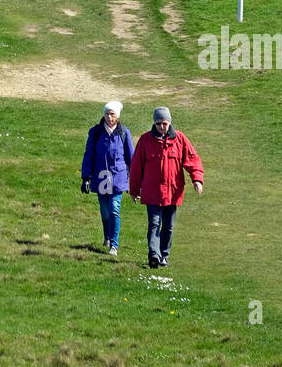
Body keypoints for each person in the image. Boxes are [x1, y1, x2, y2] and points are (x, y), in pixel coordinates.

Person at [129, 106, 204, 269]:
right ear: (154, 123)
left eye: (164, 123)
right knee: (154, 223)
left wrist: (197, 179)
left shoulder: (180, 139)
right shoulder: (145, 140)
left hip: (173, 193)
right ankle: (154, 255)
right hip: (152, 192)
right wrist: (134, 190)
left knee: (168, 226)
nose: (162, 127)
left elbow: (193, 160)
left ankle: (164, 255)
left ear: (170, 122)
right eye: (158, 124)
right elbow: (136, 167)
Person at [81, 100, 134, 258]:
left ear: (117, 116)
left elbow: (131, 158)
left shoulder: (124, 132)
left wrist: (135, 180)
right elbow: (88, 154)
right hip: (101, 176)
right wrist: (86, 177)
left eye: (113, 114)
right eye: (107, 114)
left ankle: (114, 245)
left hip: (118, 177)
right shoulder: (95, 132)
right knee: (105, 212)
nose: (110, 117)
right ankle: (107, 236)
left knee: (114, 209)